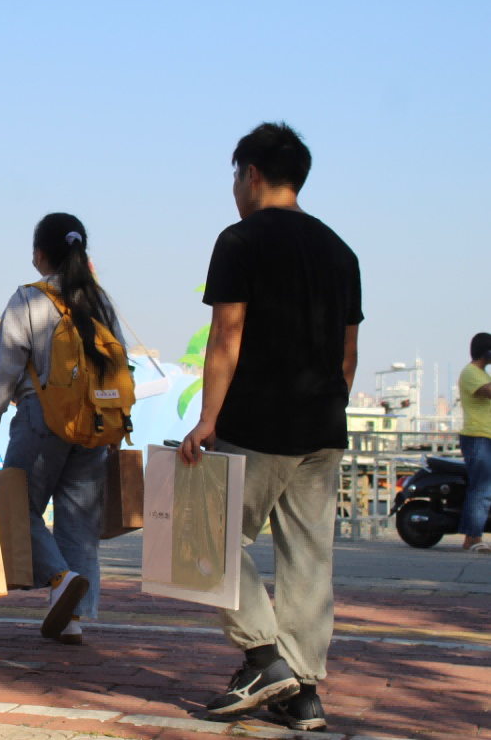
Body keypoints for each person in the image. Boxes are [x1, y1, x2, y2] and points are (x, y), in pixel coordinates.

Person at [179, 123, 361, 732]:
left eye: (236, 176)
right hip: (324, 425)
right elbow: (347, 352)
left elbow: (226, 334)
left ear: (251, 174)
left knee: (203, 536)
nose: (235, 188)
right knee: (308, 560)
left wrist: (208, 419)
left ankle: (262, 659)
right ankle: (303, 693)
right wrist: (328, 407)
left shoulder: (239, 240)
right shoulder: (341, 251)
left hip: (258, 422)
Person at [0, 213, 126, 645]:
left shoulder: (29, 298)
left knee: (14, 506)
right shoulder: (100, 302)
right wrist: (116, 425)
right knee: (79, 522)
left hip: (41, 418)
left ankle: (60, 579)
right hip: (95, 423)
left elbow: (5, 358)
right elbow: (119, 365)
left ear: (40, 254)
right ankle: (73, 618)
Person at [457, 332, 491, 553]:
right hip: (478, 437)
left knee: (484, 488)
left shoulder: (482, 374)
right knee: (482, 488)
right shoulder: (471, 373)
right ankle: (473, 537)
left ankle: (473, 535)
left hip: (485, 437)